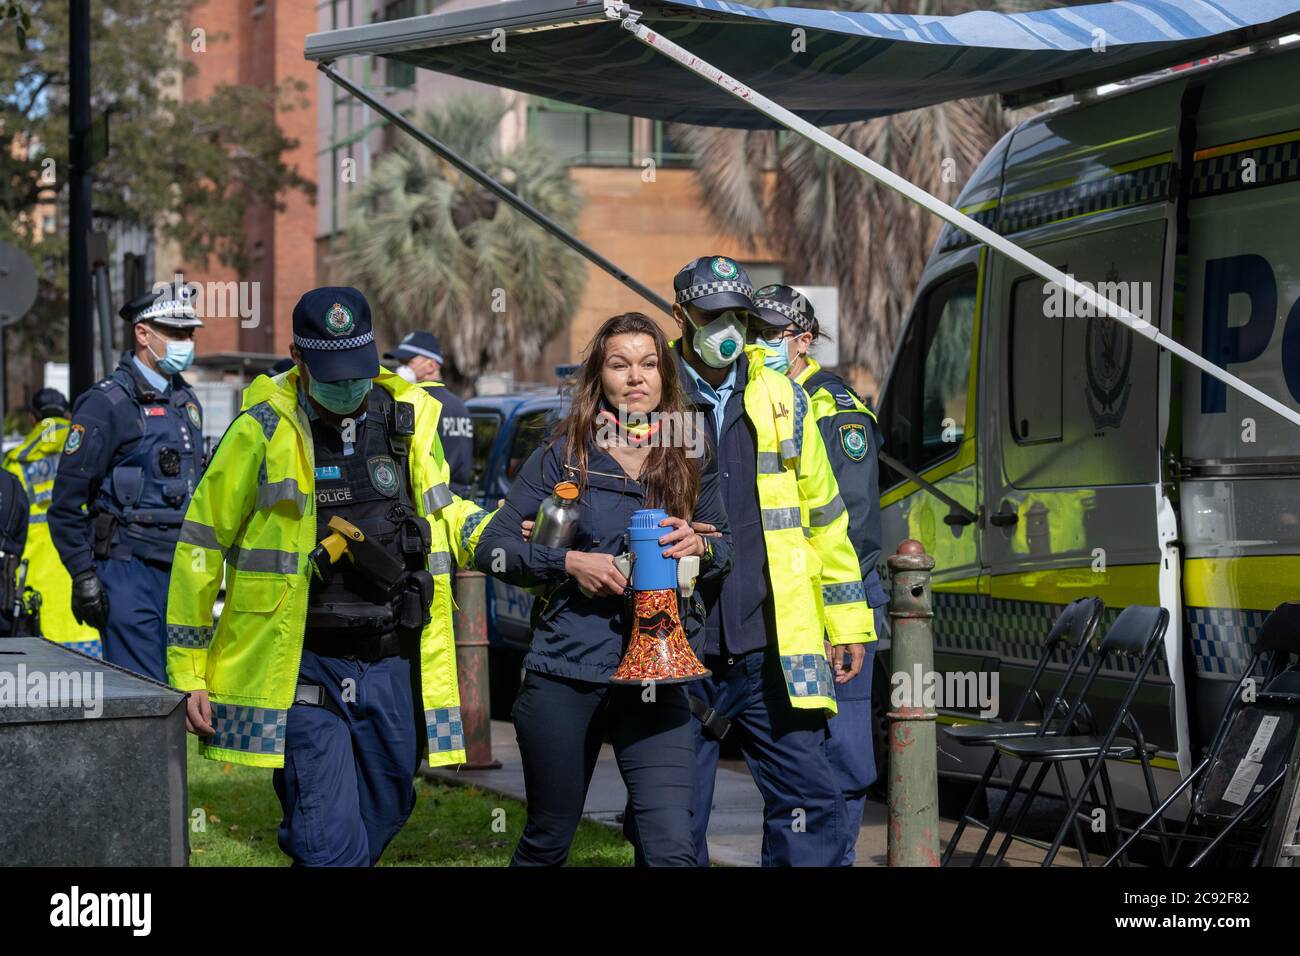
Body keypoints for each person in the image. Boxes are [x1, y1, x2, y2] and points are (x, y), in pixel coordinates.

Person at [165, 286, 494, 867]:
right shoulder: (259, 431)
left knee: (387, 807)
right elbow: (200, 545)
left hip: (393, 660)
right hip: (302, 661)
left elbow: (447, 510)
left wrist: (503, 536)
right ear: (298, 356)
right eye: (333, 375)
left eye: (358, 372)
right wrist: (188, 670)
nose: (347, 388)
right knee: (326, 839)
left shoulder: (410, 419)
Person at [636, 255, 876, 867]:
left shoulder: (781, 397)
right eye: (713, 316)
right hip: (675, 646)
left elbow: (826, 521)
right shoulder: (648, 395)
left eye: (738, 317)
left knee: (811, 806)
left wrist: (846, 624)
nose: (728, 330)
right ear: (680, 315)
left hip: (768, 646)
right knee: (671, 826)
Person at [475, 312, 733, 867]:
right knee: (549, 838)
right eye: (620, 365)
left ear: (665, 375)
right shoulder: (563, 453)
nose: (635, 377)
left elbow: (726, 547)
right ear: (601, 376)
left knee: (671, 846)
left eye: (648, 364)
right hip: (567, 671)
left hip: (659, 675)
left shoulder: (690, 453)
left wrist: (700, 545)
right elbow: (492, 547)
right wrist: (568, 561)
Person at [749, 284, 889, 863]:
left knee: (838, 755)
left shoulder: (831, 408)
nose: (754, 345)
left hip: (837, 604)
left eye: (768, 336)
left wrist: (841, 619)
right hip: (786, 607)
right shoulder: (761, 398)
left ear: (803, 341)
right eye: (749, 331)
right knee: (795, 754)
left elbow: (851, 528)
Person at [49, 283, 205, 681]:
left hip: (181, 570)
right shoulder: (106, 404)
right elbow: (66, 505)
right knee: (146, 694)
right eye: (175, 334)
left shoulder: (184, 401)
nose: (186, 343)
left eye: (189, 334)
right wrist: (84, 574)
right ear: (142, 334)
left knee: (184, 690)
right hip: (126, 570)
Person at [2, 389, 100, 651]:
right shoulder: (86, 449)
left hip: (34, 589)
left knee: (45, 682)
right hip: (84, 578)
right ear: (68, 414)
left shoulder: (17, 461)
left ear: (33, 419)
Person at [385, 331, 474, 498]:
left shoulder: (415, 402)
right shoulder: (460, 405)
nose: (401, 368)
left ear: (432, 365)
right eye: (400, 362)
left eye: (407, 362)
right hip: (462, 499)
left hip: (432, 500)